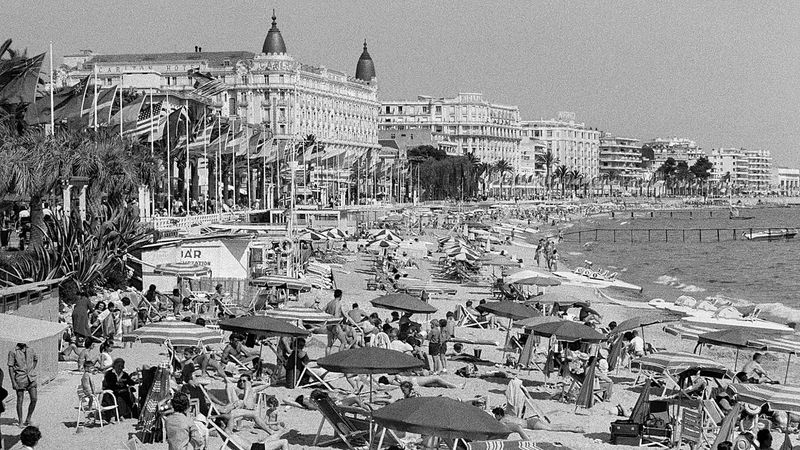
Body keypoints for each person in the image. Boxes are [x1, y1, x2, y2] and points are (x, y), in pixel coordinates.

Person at [491, 407, 584, 440]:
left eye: (495, 415)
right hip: (531, 420)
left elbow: (499, 427)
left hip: (531, 424)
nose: (495, 417)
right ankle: (574, 427)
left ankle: (575, 429)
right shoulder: (507, 415)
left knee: (552, 428)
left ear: (499, 415)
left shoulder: (503, 421)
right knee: (554, 426)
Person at [8, 342, 37, 427]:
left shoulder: (31, 349)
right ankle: (20, 421)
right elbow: (10, 367)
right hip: (20, 378)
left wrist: (31, 370)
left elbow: (35, 359)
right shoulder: (13, 351)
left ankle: (28, 418)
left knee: (34, 399)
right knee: (20, 400)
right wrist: (13, 382)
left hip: (31, 378)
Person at [324, 289, 348, 355]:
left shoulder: (330, 303)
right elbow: (336, 314)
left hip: (329, 325)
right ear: (340, 296)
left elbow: (323, 310)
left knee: (329, 345)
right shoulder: (338, 303)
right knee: (343, 342)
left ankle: (327, 359)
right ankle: (339, 358)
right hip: (335, 324)